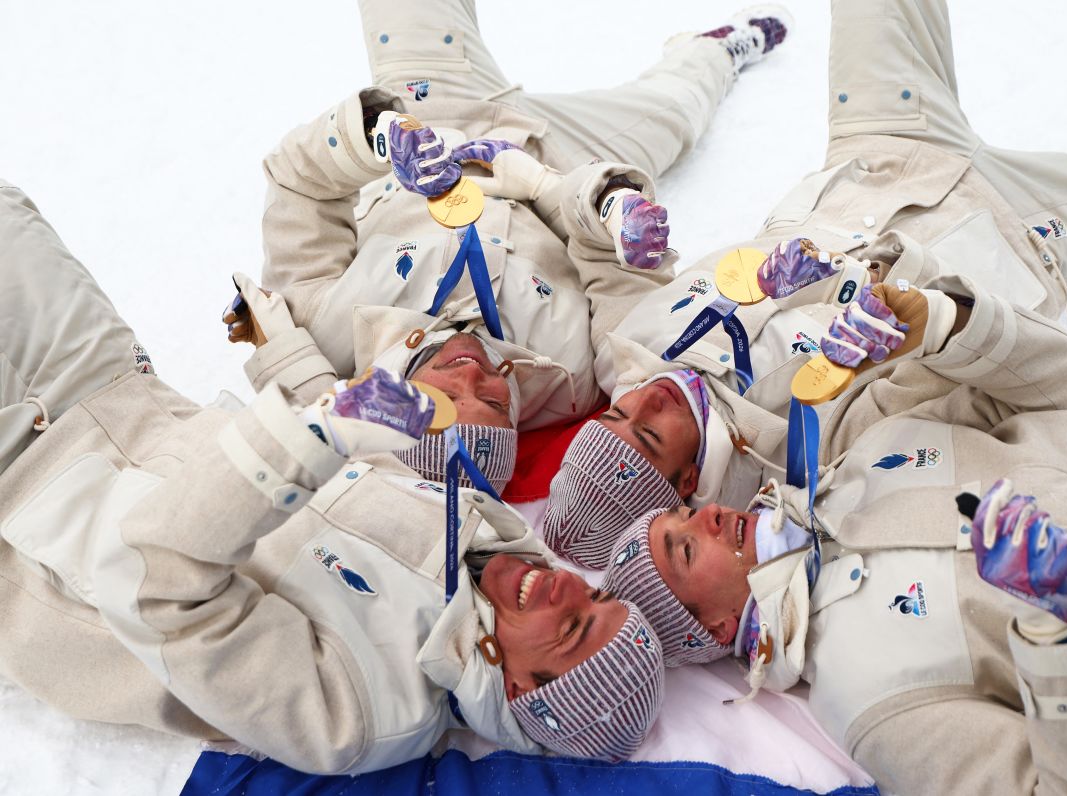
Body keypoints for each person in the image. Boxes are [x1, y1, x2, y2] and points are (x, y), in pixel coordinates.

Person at [0, 181, 665, 774]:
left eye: (573, 627)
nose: (567, 589)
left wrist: (316, 433)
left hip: (24, 507)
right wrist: (274, 342)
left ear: (521, 693)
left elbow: (154, 589)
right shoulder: (483, 534)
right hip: (114, 389)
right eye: (596, 598)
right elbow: (351, 454)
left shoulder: (361, 712)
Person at [542, 0, 1067, 572]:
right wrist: (908, 318)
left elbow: (596, 244)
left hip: (876, 156)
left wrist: (612, 208)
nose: (648, 399)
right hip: (1010, 233)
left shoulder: (625, 351)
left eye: (621, 413)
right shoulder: (808, 456)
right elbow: (986, 385)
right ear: (686, 484)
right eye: (651, 432)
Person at [599, 276, 1067, 792]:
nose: (705, 515)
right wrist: (1065, 632)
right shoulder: (865, 695)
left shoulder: (854, 458)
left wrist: (946, 325)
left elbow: (1063, 387)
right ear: (717, 626)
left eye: (682, 513)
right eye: (683, 548)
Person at [223, 1, 794, 494]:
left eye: (447, 392)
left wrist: (378, 136)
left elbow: (299, 183)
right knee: (674, 116)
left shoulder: (334, 329)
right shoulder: (572, 377)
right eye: (495, 403)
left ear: (398, 397)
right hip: (561, 159)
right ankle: (716, 51)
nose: (474, 375)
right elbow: (617, 274)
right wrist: (613, 209)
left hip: (436, 112)